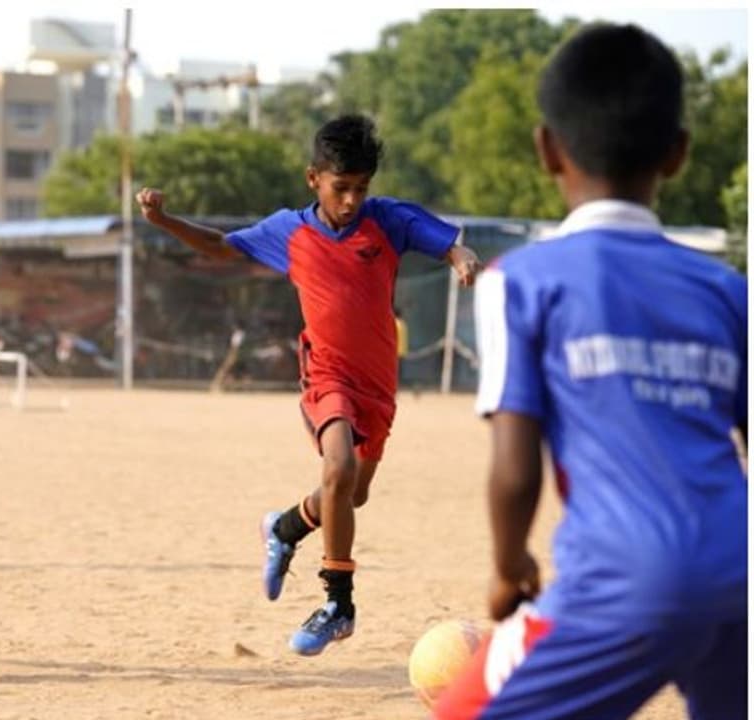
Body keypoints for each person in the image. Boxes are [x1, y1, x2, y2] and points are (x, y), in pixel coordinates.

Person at [436, 24, 746, 719]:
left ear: (547, 148)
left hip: (624, 579)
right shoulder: (728, 290)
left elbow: (516, 468)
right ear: (679, 153)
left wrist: (509, 567)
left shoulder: (521, 282)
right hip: (742, 574)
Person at [136, 115, 482, 655]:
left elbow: (445, 244)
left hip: (378, 384)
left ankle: (285, 529)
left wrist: (461, 256)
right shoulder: (289, 232)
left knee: (351, 494)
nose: (351, 200)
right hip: (327, 375)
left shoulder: (387, 220)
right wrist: (163, 220)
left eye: (360, 188)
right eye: (341, 187)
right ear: (312, 179)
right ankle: (338, 605)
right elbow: (221, 245)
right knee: (338, 469)